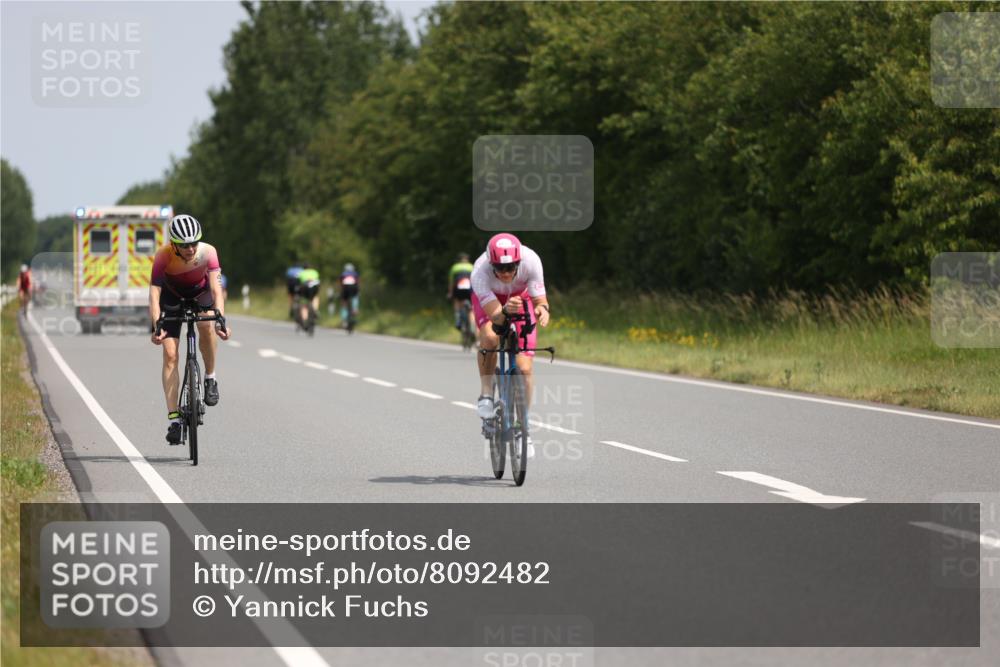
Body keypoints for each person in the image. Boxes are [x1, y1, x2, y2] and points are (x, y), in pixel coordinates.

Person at [149, 214, 230, 445]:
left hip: (200, 293)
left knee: (206, 325)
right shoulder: (163, 256)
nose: (191, 248)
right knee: (171, 355)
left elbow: (216, 289)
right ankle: (174, 420)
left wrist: (221, 318)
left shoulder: (209, 252)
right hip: (171, 297)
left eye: (194, 243)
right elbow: (154, 295)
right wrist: (157, 324)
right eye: (185, 245)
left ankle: (210, 377)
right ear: (173, 244)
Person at [472, 233, 550, 458]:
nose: (506, 273)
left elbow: (540, 300)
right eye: (500, 268)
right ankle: (486, 393)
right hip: (491, 301)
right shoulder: (479, 270)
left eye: (511, 268)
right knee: (489, 337)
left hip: (521, 298)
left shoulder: (532, 260)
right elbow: (497, 317)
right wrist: (505, 312)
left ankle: (522, 428)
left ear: (519, 263)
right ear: (491, 263)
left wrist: (542, 309)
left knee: (524, 368)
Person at [447, 252, 475, 332]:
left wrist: (450, 294)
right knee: (471, 310)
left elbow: (451, 283)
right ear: (467, 260)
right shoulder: (472, 267)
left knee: (456, 302)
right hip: (470, 290)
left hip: (458, 290)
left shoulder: (454, 267)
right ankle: (472, 327)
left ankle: (458, 319)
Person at [296, 263, 321, 327]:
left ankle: (305, 319)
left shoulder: (301, 273)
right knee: (315, 297)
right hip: (314, 286)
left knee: (304, 305)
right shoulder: (314, 272)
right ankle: (315, 310)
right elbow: (317, 279)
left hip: (305, 287)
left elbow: (298, 282)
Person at [338, 263, 360, 327]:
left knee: (344, 304)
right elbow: (358, 283)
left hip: (345, 289)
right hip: (354, 289)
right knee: (355, 297)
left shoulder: (343, 274)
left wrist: (341, 293)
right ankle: (355, 309)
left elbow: (341, 284)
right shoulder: (355, 274)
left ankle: (344, 320)